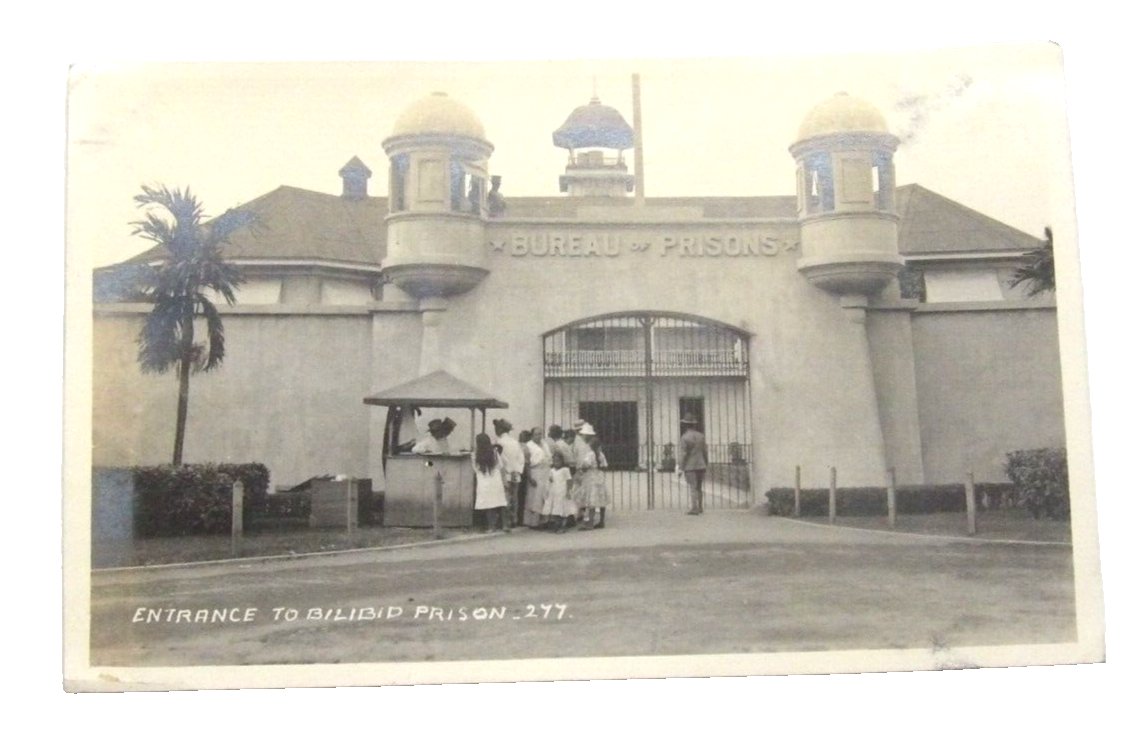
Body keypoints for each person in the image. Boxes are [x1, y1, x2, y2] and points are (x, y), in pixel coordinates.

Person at [573, 424, 609, 529]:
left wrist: (581, 470)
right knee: (601, 498)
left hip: (590, 477)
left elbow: (585, 466)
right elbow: (605, 466)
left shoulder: (590, 455)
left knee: (591, 500)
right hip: (599, 476)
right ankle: (602, 521)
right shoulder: (601, 455)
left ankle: (590, 523)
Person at [472, 433, 509, 533]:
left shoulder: (475, 455)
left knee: (489, 505)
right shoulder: (494, 452)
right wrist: (505, 481)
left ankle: (491, 527)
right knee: (501, 503)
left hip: (484, 482)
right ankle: (505, 525)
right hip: (496, 480)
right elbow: (501, 467)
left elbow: (475, 469)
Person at [494, 419, 525, 528]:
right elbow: (521, 458)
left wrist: (506, 470)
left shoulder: (500, 442)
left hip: (505, 473)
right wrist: (517, 470)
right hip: (516, 473)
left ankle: (505, 521)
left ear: (500, 429)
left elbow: (499, 459)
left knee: (505, 498)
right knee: (514, 498)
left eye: (496, 428)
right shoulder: (515, 442)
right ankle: (514, 520)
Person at [676, 414, 709, 515]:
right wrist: (706, 463)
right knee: (699, 487)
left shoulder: (685, 437)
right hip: (701, 465)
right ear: (694, 425)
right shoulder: (701, 436)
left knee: (693, 487)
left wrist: (680, 467)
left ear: (685, 425)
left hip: (690, 466)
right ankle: (700, 507)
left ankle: (694, 508)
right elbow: (705, 451)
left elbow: (684, 454)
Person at [522, 427, 550, 528]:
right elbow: (527, 464)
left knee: (545, 496)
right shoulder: (528, 446)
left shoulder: (544, 444)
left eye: (540, 434)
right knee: (534, 498)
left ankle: (544, 521)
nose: (539, 436)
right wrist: (529, 477)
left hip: (546, 471)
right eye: (537, 434)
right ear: (532, 435)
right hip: (535, 472)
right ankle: (533, 522)